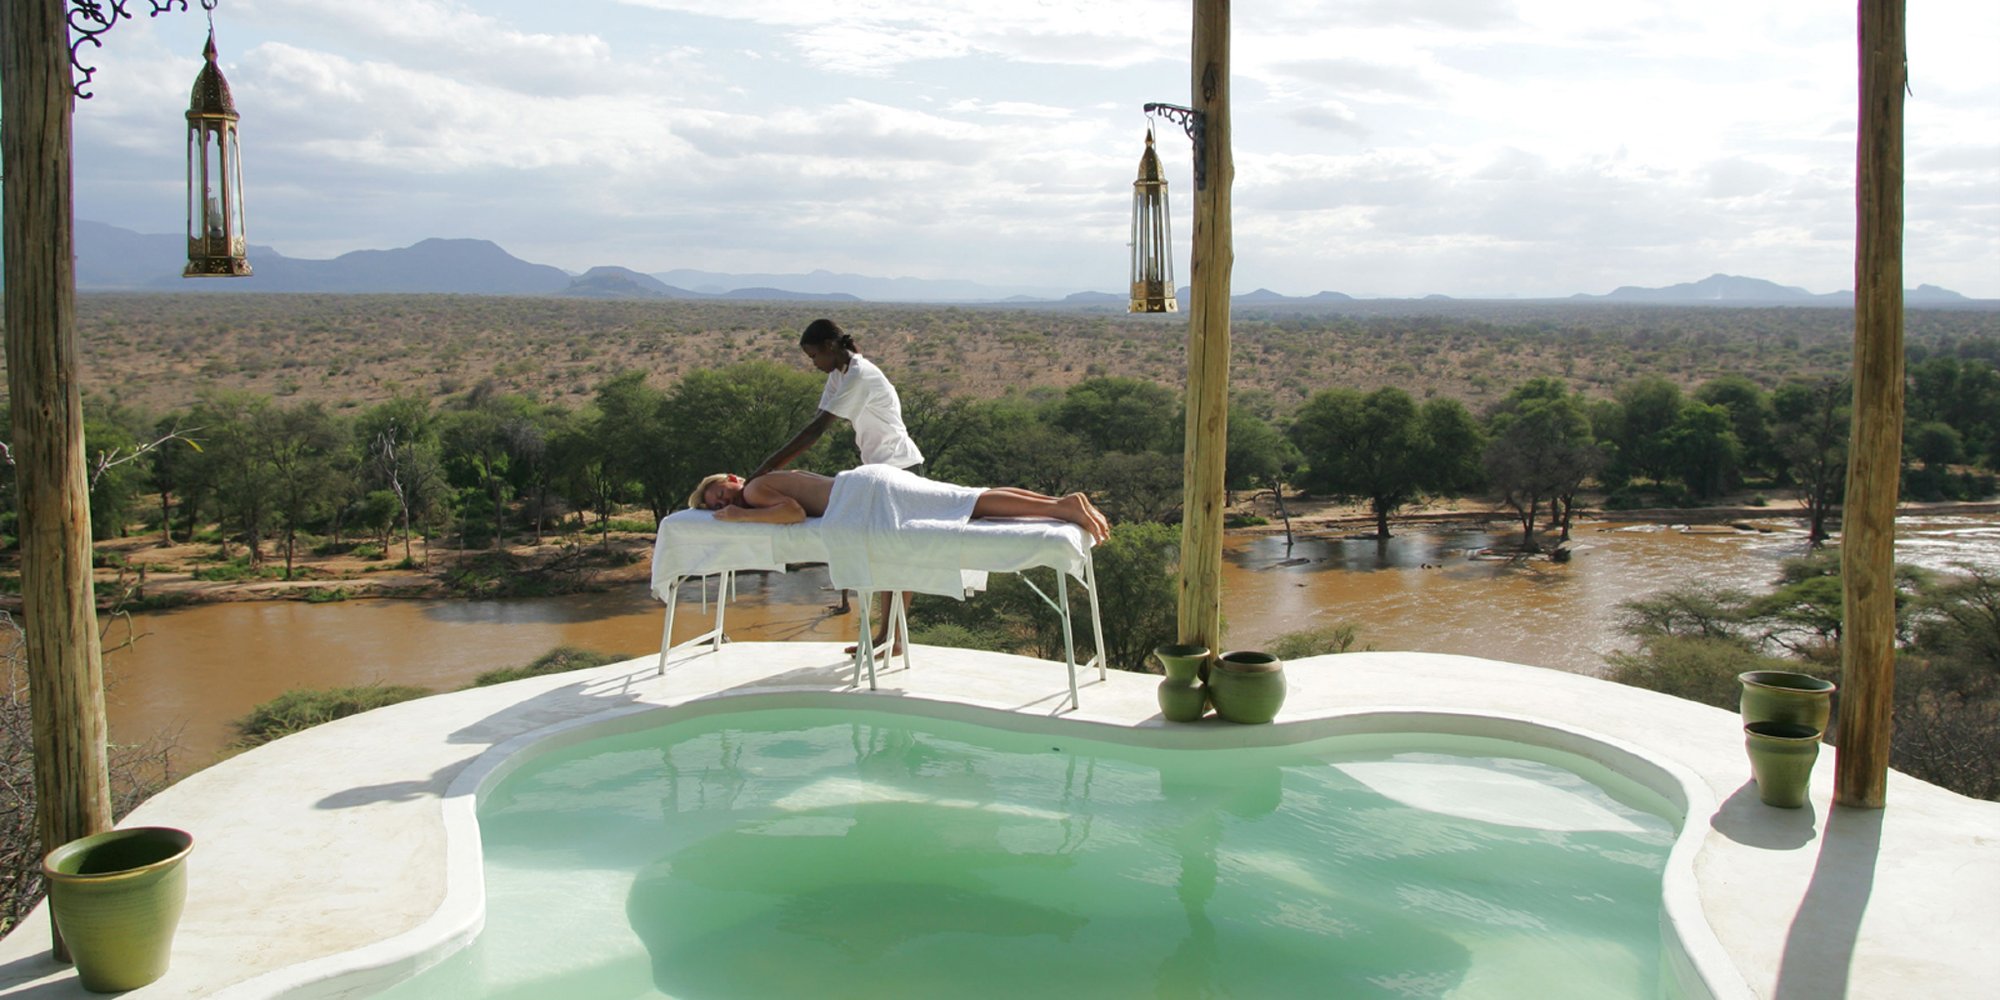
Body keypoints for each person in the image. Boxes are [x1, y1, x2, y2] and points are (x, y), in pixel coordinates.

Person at [750, 318, 925, 642]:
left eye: (815, 356)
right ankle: (889, 636)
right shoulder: (839, 374)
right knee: (886, 557)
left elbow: (816, 432)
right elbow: (817, 419)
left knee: (896, 557)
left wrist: (766, 468)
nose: (814, 363)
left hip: (900, 467)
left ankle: (893, 637)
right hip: (878, 469)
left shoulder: (859, 374)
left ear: (831, 347)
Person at [688, 468, 1109, 542]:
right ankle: (1058, 503)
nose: (722, 502)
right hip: (866, 489)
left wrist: (740, 514)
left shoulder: (754, 492)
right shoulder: (763, 482)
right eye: (715, 505)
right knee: (963, 498)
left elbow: (793, 514)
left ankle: (1062, 508)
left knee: (965, 503)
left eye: (719, 493)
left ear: (731, 479)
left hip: (867, 495)